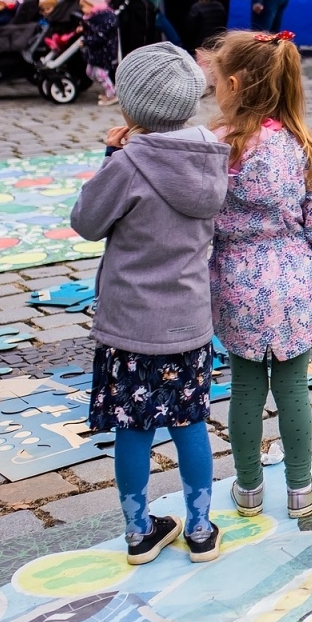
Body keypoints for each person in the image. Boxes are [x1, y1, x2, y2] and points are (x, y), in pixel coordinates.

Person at [71, 44, 229, 565]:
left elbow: (86, 221)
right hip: (188, 323)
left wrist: (112, 158)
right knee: (190, 425)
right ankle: (201, 527)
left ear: (131, 108)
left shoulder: (128, 164)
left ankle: (140, 531)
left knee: (133, 429)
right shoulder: (211, 154)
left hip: (130, 326)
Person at [209, 30, 312, 520]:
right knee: (293, 388)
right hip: (294, 281)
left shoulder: (217, 148)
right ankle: (299, 487)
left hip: (235, 283)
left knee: (245, 387)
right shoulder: (300, 148)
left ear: (232, 84)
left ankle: (247, 488)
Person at [79, 0, 122, 106]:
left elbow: (100, 37)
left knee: (100, 74)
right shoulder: (92, 18)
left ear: (93, 5)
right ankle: (108, 90)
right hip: (96, 52)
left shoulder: (102, 18)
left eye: (83, 6)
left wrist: (86, 41)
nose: (82, 9)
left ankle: (112, 93)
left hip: (104, 52)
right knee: (90, 72)